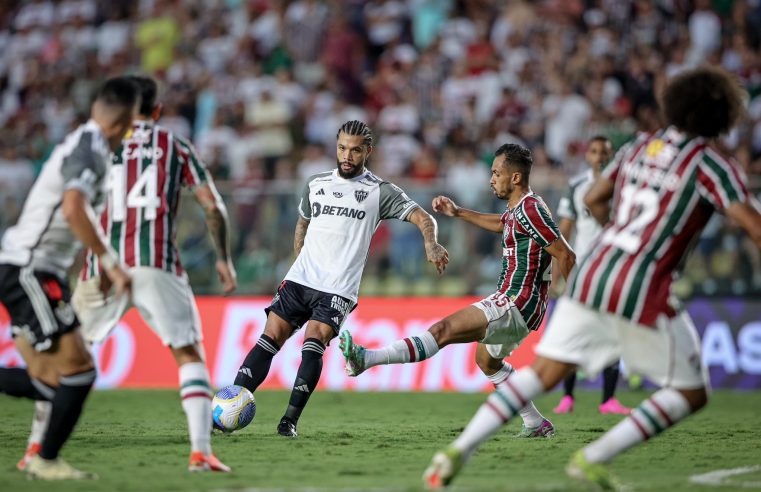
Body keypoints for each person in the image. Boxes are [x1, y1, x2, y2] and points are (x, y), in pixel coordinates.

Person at [422, 66, 761, 491]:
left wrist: (617, 234)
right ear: (722, 116)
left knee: (542, 371)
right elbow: (755, 227)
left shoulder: (641, 147)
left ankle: (460, 449)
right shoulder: (713, 164)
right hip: (641, 281)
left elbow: (596, 198)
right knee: (692, 392)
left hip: (597, 269)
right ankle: (595, 457)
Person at [11, 75, 237, 473]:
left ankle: (34, 449)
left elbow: (80, 208)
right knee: (188, 354)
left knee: (62, 363)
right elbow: (211, 204)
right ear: (157, 111)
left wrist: (93, 260)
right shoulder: (174, 145)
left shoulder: (98, 144)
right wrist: (222, 258)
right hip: (157, 264)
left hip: (101, 268)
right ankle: (201, 452)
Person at [340, 143, 576, 438]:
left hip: (516, 301)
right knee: (487, 361)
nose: (491, 179)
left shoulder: (530, 208)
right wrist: (458, 212)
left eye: (496, 173)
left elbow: (565, 255)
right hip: (518, 304)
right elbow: (502, 224)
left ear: (515, 178)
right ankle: (534, 422)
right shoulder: (520, 209)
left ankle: (366, 359)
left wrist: (575, 305)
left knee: (442, 330)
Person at [233, 120, 449, 437]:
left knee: (314, 342)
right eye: (342, 148)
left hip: (337, 287)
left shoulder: (380, 191)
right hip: (301, 278)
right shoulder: (316, 183)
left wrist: (431, 243)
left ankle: (288, 421)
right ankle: (231, 405)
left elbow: (422, 216)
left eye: (355, 150)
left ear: (368, 152)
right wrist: (299, 261)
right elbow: (303, 222)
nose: (347, 156)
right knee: (270, 337)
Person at [0, 77, 139, 480]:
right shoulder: (90, 152)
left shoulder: (86, 143)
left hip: (37, 270)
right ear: (123, 124)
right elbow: (74, 207)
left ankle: (42, 458)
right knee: (78, 372)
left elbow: (72, 218)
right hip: (29, 269)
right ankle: (46, 460)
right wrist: (110, 262)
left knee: (49, 381)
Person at [551, 136, 630, 416]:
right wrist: (557, 276)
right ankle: (568, 397)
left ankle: (608, 399)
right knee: (574, 331)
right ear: (587, 156)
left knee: (612, 332)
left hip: (612, 268)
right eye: (595, 151)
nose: (600, 157)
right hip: (582, 269)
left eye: (605, 152)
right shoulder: (576, 186)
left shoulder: (625, 185)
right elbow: (565, 231)